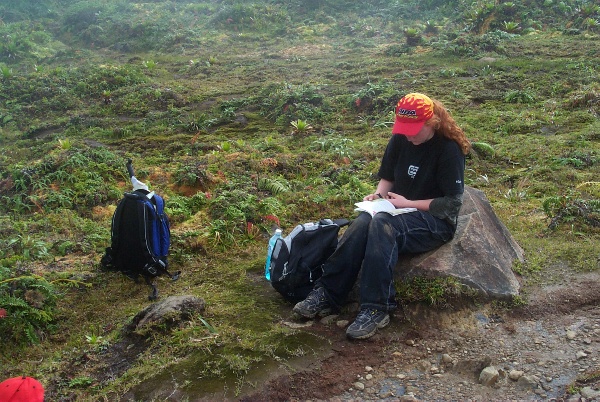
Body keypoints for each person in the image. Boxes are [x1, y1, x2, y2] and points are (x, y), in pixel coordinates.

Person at [293, 92, 470, 340]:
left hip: (433, 220)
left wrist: (408, 203)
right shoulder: (400, 139)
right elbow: (388, 176)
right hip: (396, 208)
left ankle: (377, 307)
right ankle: (328, 293)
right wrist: (378, 196)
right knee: (364, 221)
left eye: (414, 129)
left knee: (383, 224)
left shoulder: (448, 150)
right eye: (404, 128)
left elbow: (452, 204)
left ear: (431, 123)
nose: (408, 134)